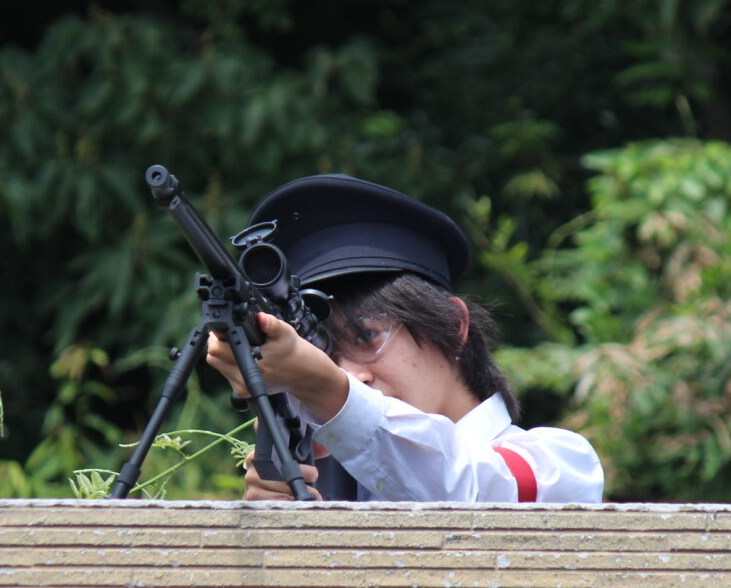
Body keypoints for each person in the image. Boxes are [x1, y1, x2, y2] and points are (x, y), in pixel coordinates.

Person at [205, 173, 604, 503]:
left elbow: (478, 496)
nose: (353, 376)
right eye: (326, 355)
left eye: (366, 336)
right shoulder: (317, 483)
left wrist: (327, 389)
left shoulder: (558, 464)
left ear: (454, 327)